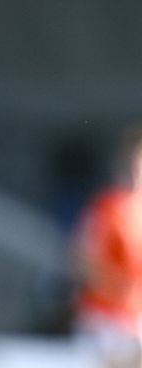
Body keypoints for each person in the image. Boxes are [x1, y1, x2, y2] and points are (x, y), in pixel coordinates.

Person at [72, 125, 142, 368]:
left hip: (134, 320)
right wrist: (116, 286)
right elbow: (82, 260)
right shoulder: (107, 207)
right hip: (105, 320)